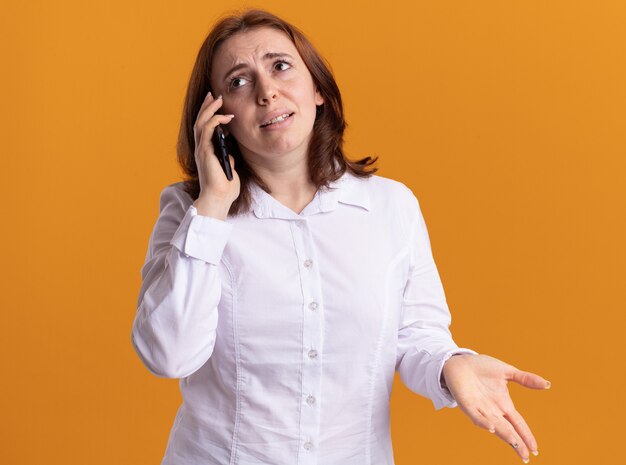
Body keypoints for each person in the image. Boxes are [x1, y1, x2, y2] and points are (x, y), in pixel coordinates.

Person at [131, 8, 550, 465]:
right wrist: (211, 206)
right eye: (239, 81)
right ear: (217, 115)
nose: (267, 92)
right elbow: (168, 355)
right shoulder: (190, 212)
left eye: (280, 66)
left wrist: (451, 366)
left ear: (318, 90)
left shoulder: (391, 206)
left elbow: (416, 336)